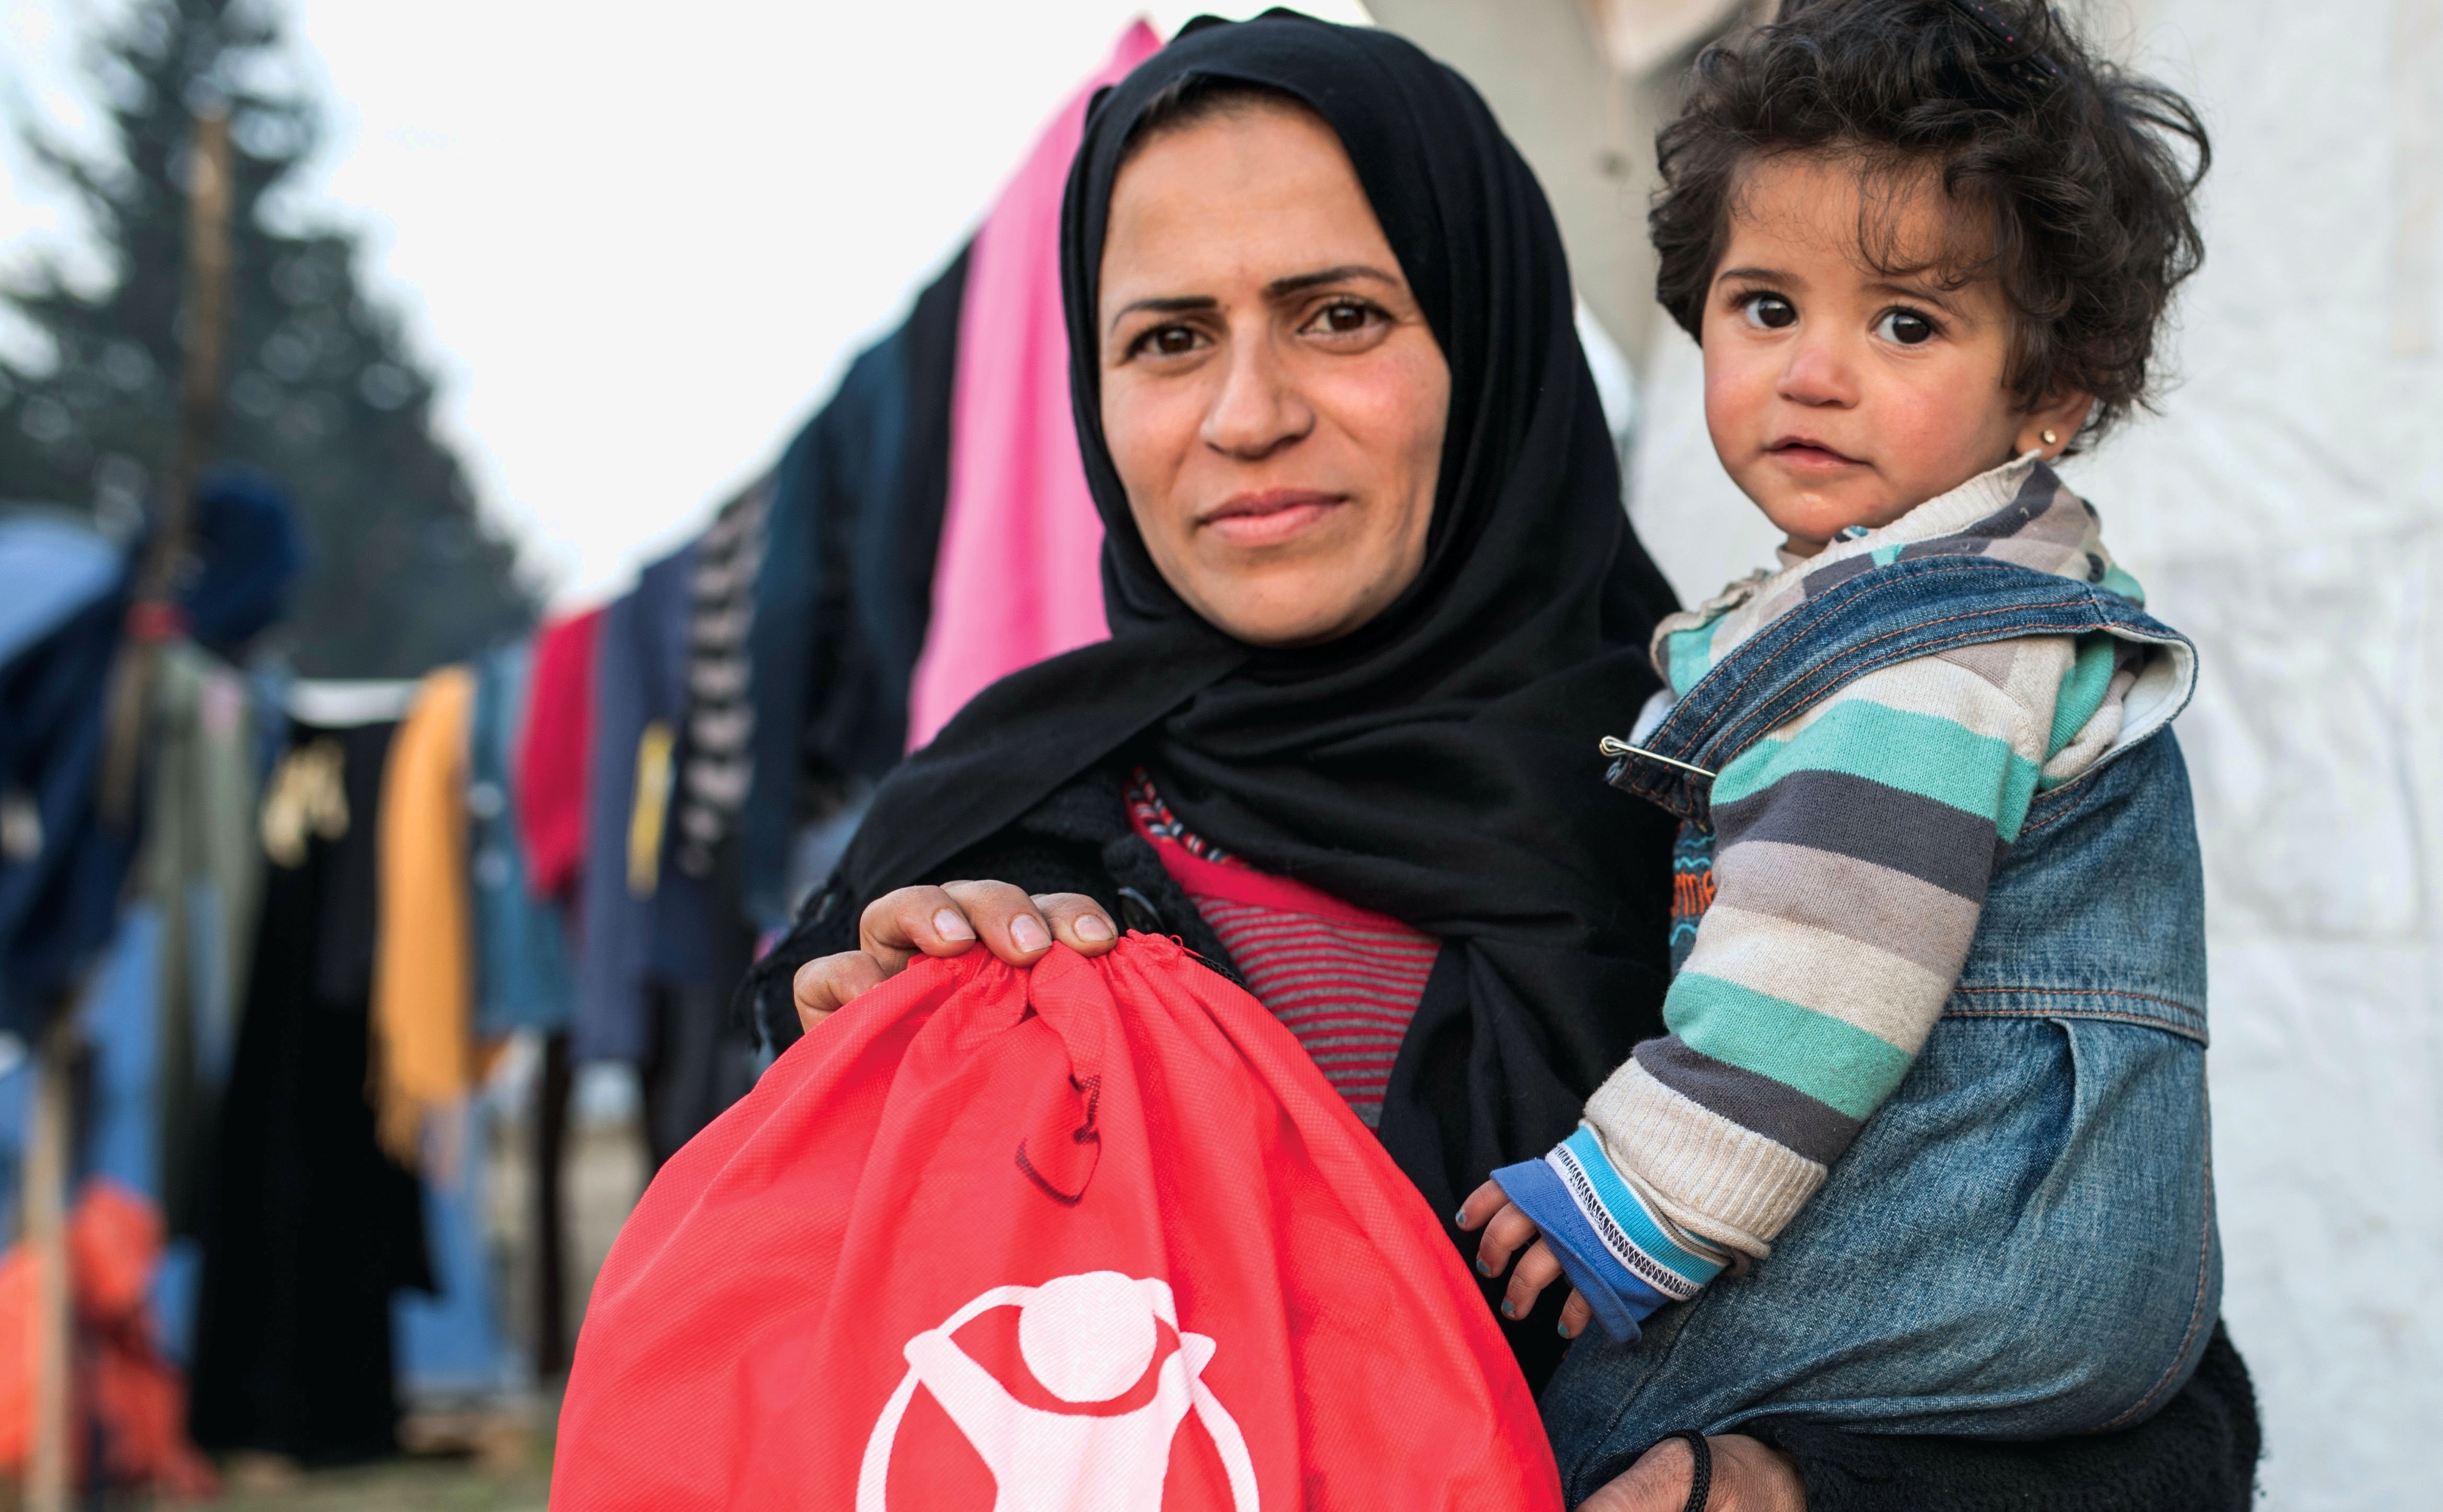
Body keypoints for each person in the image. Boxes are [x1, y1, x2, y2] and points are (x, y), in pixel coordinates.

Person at [763, 12, 2257, 1509]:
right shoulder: (987, 822)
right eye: (1165, 339)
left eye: (1337, 315)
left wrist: (1787, 1486)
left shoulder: (1735, 772)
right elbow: (793, 1392)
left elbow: (2165, 1419)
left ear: (1487, 334)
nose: (1247, 414)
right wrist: (865, 1072)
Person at [1455, 0, 2222, 1487]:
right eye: (1765, 307)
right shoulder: (1939, 593)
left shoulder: (1922, 656)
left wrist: (1633, 1195)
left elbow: (1824, 968)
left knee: (1565, 1437)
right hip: (2074, 1274)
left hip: (1976, 1265)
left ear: (2049, 392)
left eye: (1904, 322)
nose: (1812, 372)